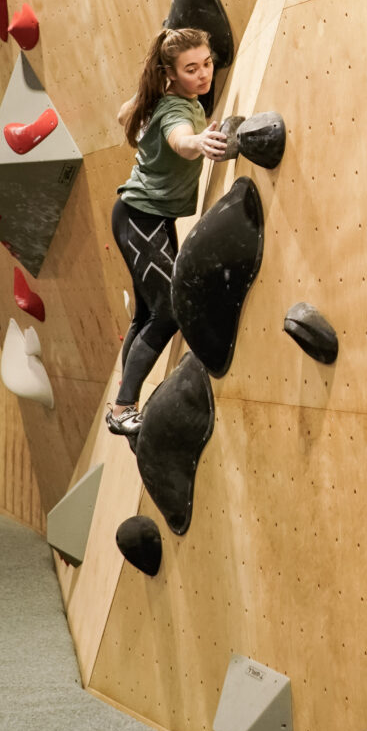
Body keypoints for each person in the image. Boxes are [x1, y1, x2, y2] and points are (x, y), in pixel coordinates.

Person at [105, 27, 231, 440]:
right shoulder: (176, 109)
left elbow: (130, 114)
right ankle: (124, 409)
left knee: (148, 314)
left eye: (207, 64)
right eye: (191, 69)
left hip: (144, 218)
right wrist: (199, 141)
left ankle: (121, 405)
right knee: (169, 312)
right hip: (141, 218)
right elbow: (180, 141)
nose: (203, 74)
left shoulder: (170, 99)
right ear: (171, 75)